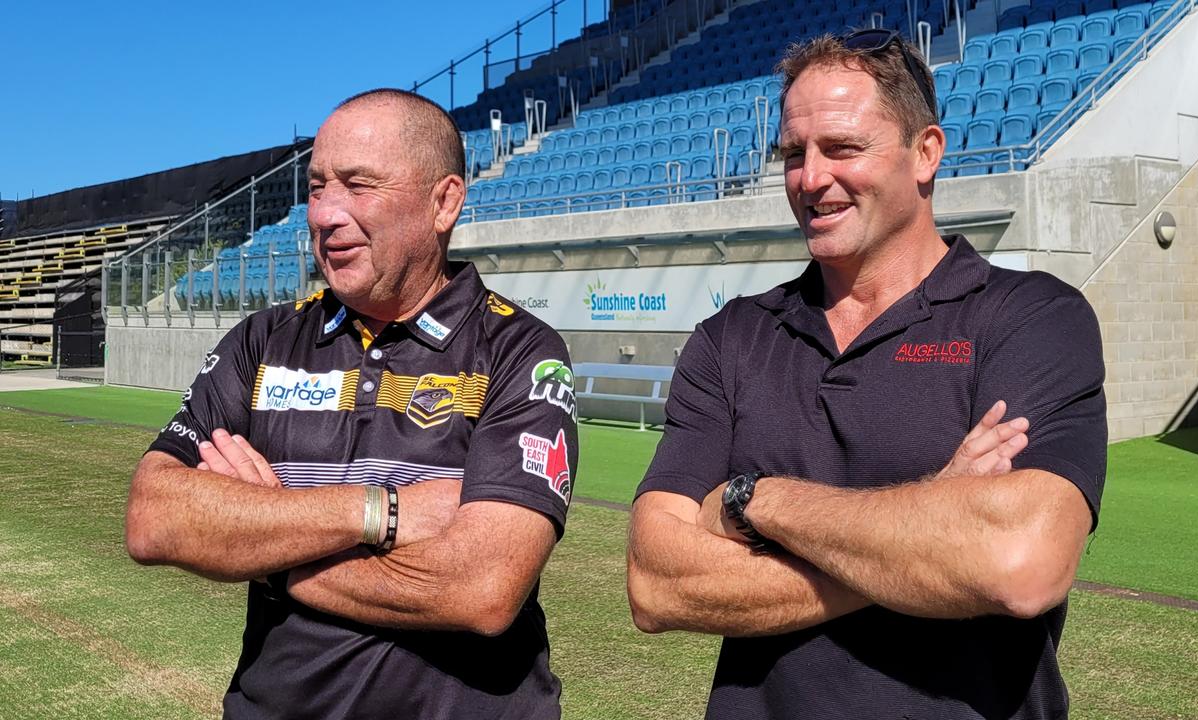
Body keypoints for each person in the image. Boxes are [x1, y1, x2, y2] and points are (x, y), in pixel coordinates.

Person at [627, 30, 1106, 720]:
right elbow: (656, 583)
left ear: (926, 153)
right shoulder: (731, 337)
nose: (812, 179)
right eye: (794, 154)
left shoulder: (1030, 318)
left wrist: (755, 502)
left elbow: (1019, 563)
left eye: (843, 149)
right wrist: (934, 516)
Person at [126, 89, 578, 719]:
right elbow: (153, 517)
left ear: (443, 202)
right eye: (316, 187)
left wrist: (265, 546)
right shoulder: (261, 340)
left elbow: (481, 588)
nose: (325, 214)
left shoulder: (519, 349)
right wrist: (382, 513)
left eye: (359, 185)